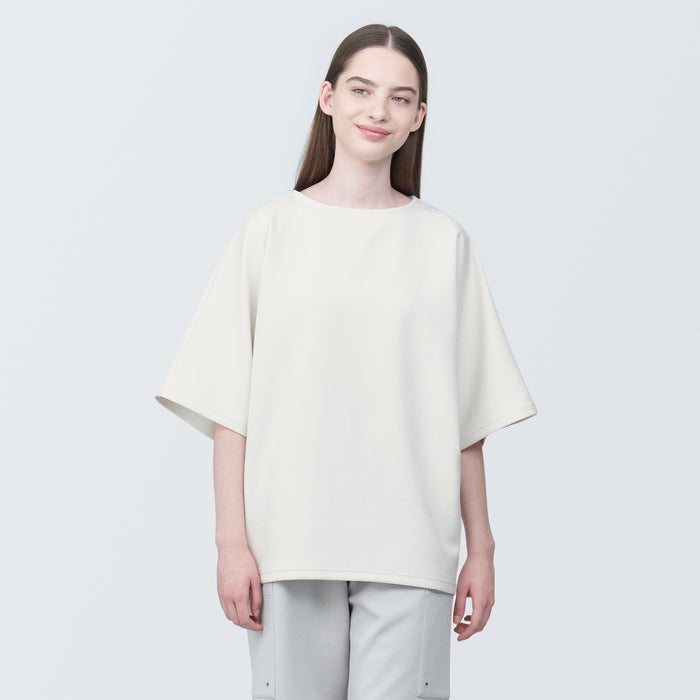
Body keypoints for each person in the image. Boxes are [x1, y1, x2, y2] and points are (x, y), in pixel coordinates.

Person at [154, 23, 537, 700]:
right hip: (288, 541)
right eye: (361, 90)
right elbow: (228, 408)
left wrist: (482, 548)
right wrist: (230, 544)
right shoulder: (268, 232)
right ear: (328, 97)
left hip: (411, 544)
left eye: (399, 98)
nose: (377, 110)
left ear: (419, 117)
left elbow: (467, 418)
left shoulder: (443, 243)